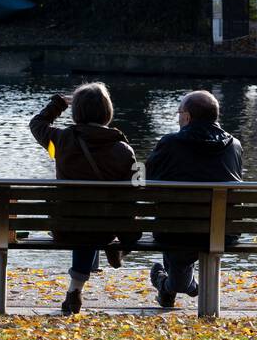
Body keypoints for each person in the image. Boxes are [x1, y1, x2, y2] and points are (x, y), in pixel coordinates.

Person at [29, 83, 136, 315]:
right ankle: (116, 248)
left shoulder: (59, 143)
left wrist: (59, 103)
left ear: (77, 112)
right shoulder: (123, 149)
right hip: (107, 229)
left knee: (84, 222)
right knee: (97, 220)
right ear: (108, 112)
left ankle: (74, 291)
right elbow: (133, 193)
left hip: (66, 227)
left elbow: (37, 125)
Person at [144, 89, 243, 308]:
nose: (178, 117)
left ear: (187, 117)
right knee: (180, 220)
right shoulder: (234, 146)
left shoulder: (170, 144)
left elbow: (145, 181)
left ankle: (170, 285)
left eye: (179, 112)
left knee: (174, 218)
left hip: (176, 232)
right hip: (222, 232)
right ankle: (176, 285)